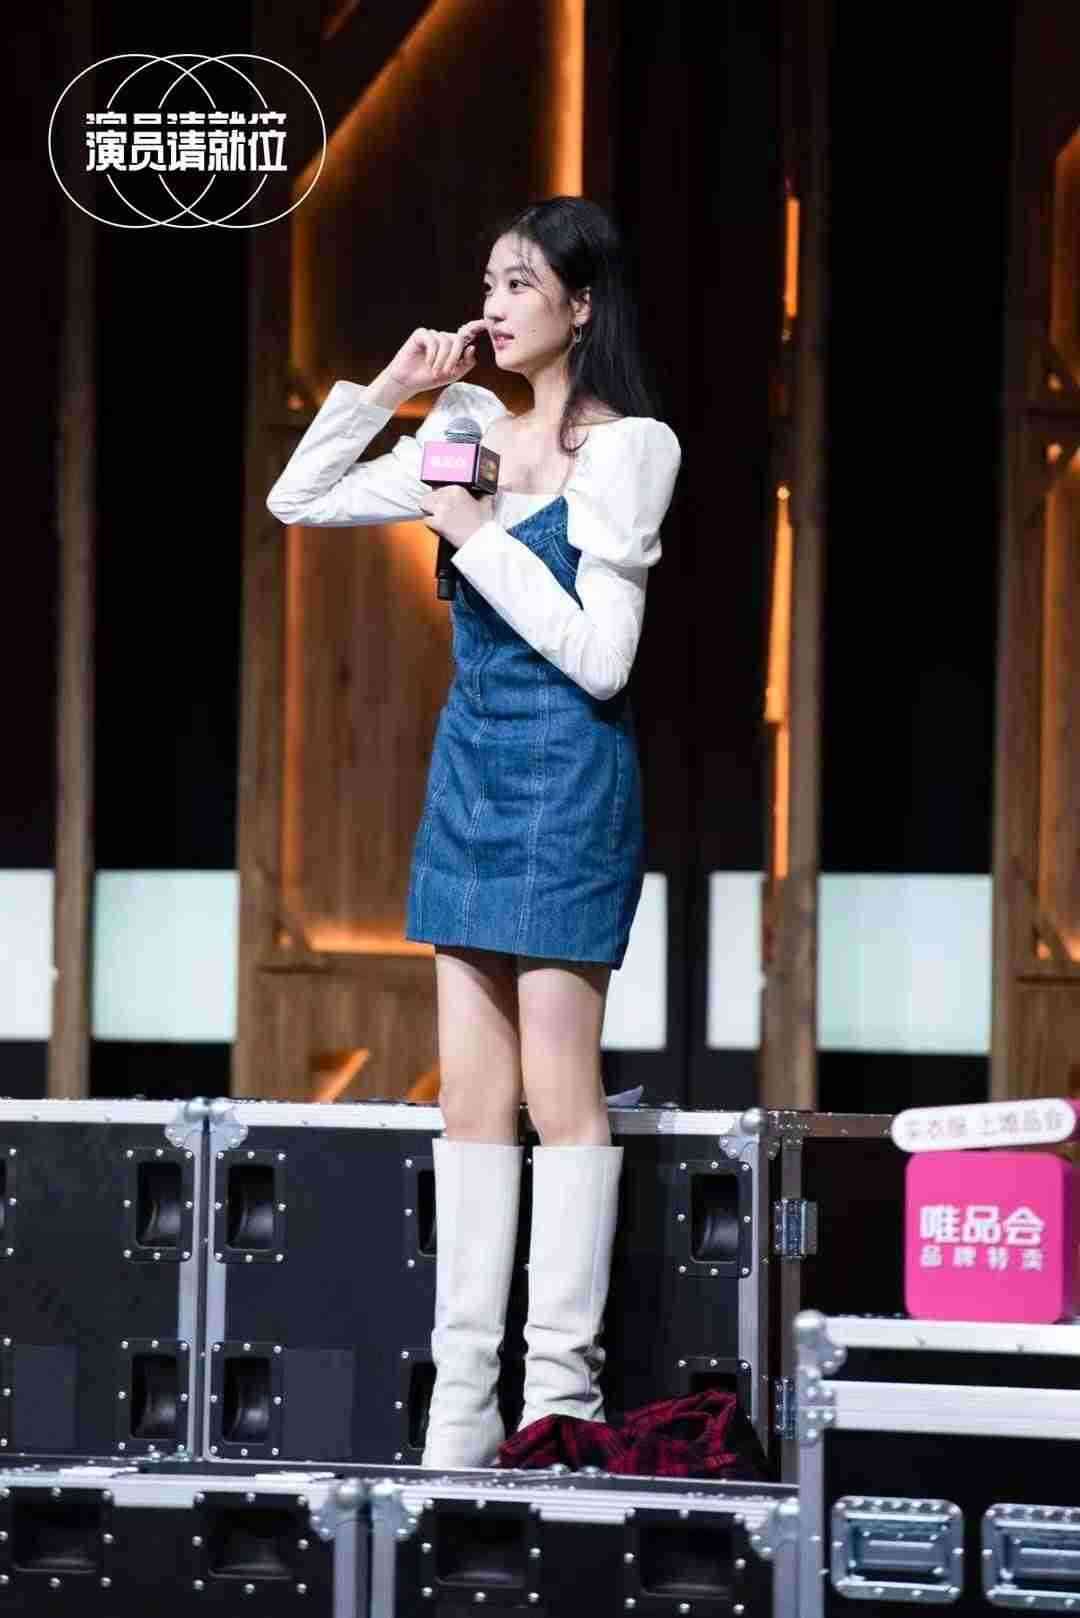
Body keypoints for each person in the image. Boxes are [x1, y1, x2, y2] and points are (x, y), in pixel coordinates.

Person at [266, 195, 682, 1469]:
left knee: (562, 1097)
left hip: (569, 776)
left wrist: (482, 538)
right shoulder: (462, 431)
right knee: (472, 1105)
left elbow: (602, 660)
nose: (493, 307)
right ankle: (461, 1409)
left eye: (519, 285)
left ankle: (561, 1398)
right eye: (489, 282)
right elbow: (297, 498)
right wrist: (391, 388)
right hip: (471, 774)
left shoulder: (629, 449)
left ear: (581, 306)